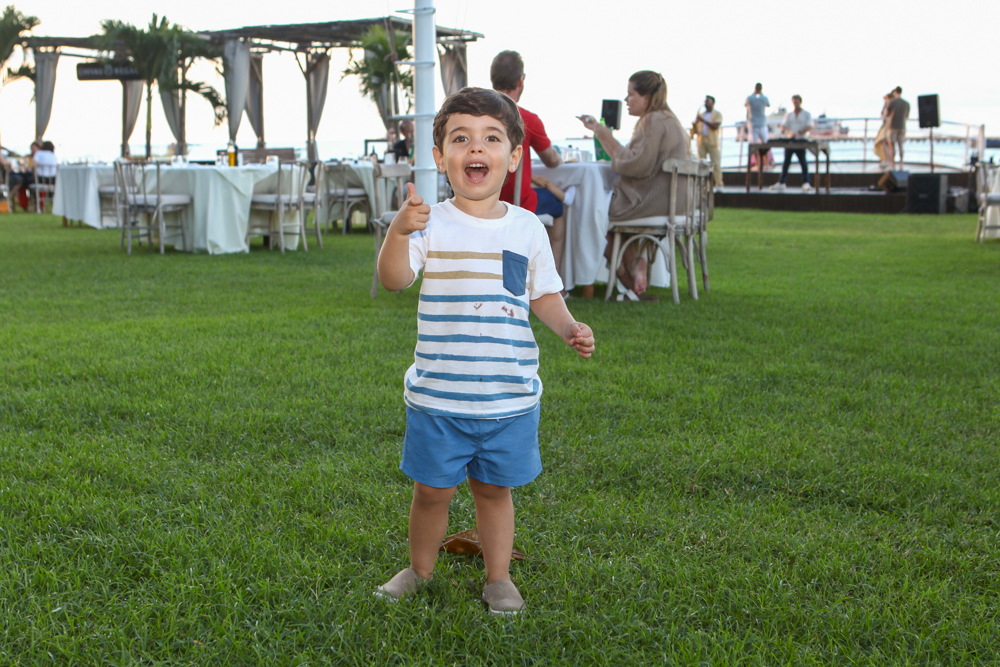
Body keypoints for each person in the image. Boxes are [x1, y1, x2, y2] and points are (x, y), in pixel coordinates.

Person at [373, 87, 595, 616]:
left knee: (494, 491)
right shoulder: (430, 222)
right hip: (439, 398)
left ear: (513, 156)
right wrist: (398, 232)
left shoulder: (526, 227)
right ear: (440, 157)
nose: (476, 148)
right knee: (432, 492)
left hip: (508, 397)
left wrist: (567, 326)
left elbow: (541, 293)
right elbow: (394, 279)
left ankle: (499, 578)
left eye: (491, 138)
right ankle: (419, 569)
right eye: (461, 139)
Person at [578, 70, 690, 296]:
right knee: (601, 210)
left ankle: (625, 276)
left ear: (646, 98)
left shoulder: (652, 120)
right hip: (675, 203)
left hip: (653, 202)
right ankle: (634, 266)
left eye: (631, 94)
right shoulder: (670, 120)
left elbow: (637, 165)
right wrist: (600, 131)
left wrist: (604, 136)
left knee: (590, 212)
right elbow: (634, 159)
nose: (626, 100)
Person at [490, 50, 563, 214]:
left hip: (481, 202)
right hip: (517, 204)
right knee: (558, 205)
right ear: (520, 81)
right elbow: (552, 160)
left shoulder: (478, 116)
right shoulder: (527, 120)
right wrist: (560, 158)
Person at [771, 94, 814, 192]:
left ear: (800, 102)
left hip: (801, 141)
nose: (796, 104)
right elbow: (783, 127)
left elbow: (810, 126)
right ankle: (782, 182)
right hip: (790, 141)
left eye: (797, 102)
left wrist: (799, 133)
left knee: (803, 162)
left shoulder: (806, 114)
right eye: (794, 102)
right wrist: (790, 132)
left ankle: (806, 182)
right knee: (786, 162)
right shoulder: (789, 114)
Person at [693, 95, 724, 188]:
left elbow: (715, 126)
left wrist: (703, 120)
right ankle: (703, 185)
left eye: (708, 101)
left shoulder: (717, 114)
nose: (706, 103)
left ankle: (719, 183)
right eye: (705, 101)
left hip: (712, 142)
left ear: (713, 103)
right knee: (701, 164)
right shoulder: (701, 115)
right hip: (701, 142)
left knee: (716, 163)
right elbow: (696, 130)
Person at [8, 141, 40, 213]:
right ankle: (24, 205)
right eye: (32, 148)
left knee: (23, 182)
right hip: (28, 176)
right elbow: (24, 167)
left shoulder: (38, 157)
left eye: (34, 148)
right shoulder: (28, 157)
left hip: (36, 178)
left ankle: (35, 205)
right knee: (22, 184)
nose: (33, 150)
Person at [886, 86, 910, 169]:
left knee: (892, 146)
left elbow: (886, 114)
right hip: (902, 126)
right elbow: (907, 116)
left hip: (893, 126)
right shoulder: (906, 103)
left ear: (895, 92)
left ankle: (892, 164)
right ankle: (901, 163)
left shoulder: (892, 102)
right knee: (901, 146)